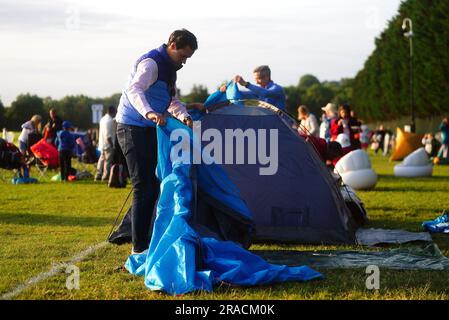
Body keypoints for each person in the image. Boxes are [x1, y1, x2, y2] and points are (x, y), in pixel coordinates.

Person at [115, 29, 200, 255]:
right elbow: (134, 89)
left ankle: (145, 241)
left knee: (153, 185)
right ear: (172, 45)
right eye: (183, 56)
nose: (184, 61)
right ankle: (139, 248)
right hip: (132, 126)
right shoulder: (151, 63)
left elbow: (170, 99)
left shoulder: (170, 69)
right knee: (144, 186)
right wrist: (150, 113)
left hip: (149, 128)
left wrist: (184, 116)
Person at [95, 106, 117, 181]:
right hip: (108, 144)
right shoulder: (109, 121)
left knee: (101, 160)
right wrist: (112, 145)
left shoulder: (102, 119)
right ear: (112, 112)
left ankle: (98, 174)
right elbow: (108, 136)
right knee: (108, 161)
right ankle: (105, 176)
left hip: (102, 143)